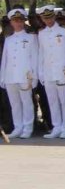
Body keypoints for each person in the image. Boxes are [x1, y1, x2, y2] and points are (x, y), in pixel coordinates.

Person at [37, 5, 65, 139]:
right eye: (45, 18)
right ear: (41, 18)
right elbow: (41, 54)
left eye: (50, 17)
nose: (48, 21)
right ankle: (57, 126)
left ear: (54, 16)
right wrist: (40, 72)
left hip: (62, 71)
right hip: (48, 71)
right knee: (52, 101)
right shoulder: (41, 33)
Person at [0, 8, 38, 138]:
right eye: (15, 21)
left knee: (27, 103)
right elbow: (5, 60)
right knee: (15, 104)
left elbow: (35, 58)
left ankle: (28, 128)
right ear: (11, 22)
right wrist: (2, 77)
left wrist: (34, 76)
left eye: (20, 20)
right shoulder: (9, 39)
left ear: (24, 22)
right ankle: (18, 127)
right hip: (10, 76)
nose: (18, 23)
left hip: (25, 75)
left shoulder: (31, 38)